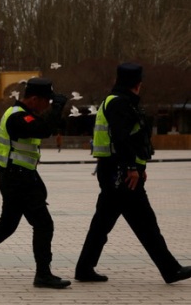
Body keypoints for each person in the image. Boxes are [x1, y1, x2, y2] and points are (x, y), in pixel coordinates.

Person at [75, 63, 191, 284]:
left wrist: (140, 167)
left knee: (104, 222)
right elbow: (122, 139)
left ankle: (84, 268)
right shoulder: (120, 103)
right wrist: (131, 168)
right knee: (145, 222)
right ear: (138, 84)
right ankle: (170, 269)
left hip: (113, 170)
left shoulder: (117, 100)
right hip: (120, 171)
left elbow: (133, 138)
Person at [0, 78, 71, 289]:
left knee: (7, 225)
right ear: (34, 99)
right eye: (46, 102)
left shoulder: (23, 114)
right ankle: (43, 274)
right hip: (20, 180)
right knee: (43, 224)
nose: (47, 106)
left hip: (17, 178)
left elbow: (46, 127)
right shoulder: (18, 117)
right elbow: (42, 130)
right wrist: (58, 108)